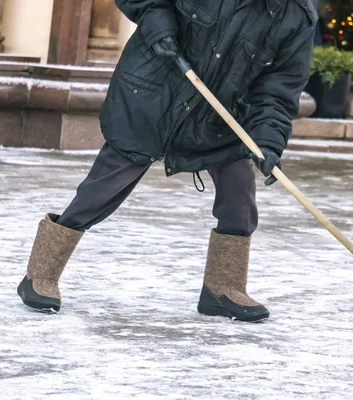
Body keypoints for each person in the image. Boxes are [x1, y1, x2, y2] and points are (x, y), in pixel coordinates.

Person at [17, 0, 317, 322]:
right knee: (102, 189)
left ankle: (223, 289)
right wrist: (157, 19)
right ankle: (41, 274)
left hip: (218, 117)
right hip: (151, 95)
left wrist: (269, 141)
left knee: (239, 194)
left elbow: (277, 91)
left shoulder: (296, 16)